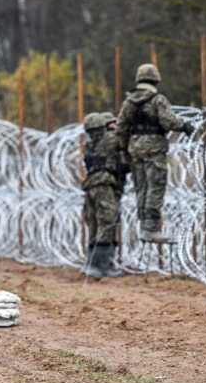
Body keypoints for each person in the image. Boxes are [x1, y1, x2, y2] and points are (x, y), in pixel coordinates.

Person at [115, 64, 195, 243]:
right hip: (154, 149)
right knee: (155, 186)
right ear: (156, 79)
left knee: (141, 188)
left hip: (135, 150)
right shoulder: (157, 99)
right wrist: (184, 126)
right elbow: (167, 121)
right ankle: (151, 229)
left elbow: (120, 128)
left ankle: (145, 226)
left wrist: (125, 149)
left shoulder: (129, 102)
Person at [81, 112, 129, 279]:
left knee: (94, 224)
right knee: (106, 222)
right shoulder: (109, 139)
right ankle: (102, 265)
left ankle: (92, 264)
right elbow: (123, 136)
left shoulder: (89, 145)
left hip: (90, 187)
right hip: (104, 185)